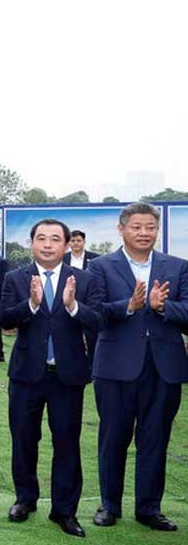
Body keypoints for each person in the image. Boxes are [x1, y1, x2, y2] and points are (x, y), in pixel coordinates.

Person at [87, 202, 188, 532]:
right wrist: (128, 306)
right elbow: (94, 313)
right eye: (137, 227)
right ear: (121, 229)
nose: (144, 233)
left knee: (155, 440)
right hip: (115, 368)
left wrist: (163, 308)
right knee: (113, 438)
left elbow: (187, 312)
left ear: (157, 231)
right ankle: (109, 505)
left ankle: (149, 508)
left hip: (164, 369)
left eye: (150, 228)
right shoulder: (100, 266)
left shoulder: (177, 267)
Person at [1, 219, 103, 537]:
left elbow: (98, 320)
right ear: (32, 242)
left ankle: (64, 510)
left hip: (67, 375)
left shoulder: (85, 279)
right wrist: (30, 304)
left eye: (55, 239)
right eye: (41, 238)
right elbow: (4, 317)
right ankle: (25, 499)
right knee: (24, 439)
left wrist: (73, 307)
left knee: (67, 443)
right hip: (26, 375)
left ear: (67, 244)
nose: (47, 244)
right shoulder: (15, 278)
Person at [64, 229, 102, 361]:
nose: (75, 243)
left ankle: (93, 364)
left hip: (89, 299)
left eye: (78, 240)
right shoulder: (63, 258)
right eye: (72, 241)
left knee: (91, 333)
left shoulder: (96, 259)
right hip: (68, 299)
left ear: (84, 242)